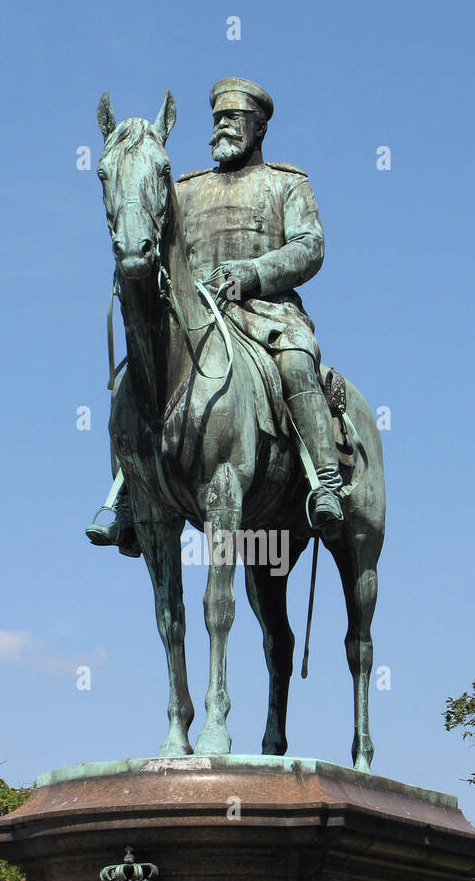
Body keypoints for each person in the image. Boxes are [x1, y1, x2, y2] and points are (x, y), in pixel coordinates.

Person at [87, 77, 344, 554]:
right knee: (136, 380)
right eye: (217, 118)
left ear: (260, 127)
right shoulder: (185, 187)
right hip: (197, 315)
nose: (222, 126)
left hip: (266, 314)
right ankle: (128, 493)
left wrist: (253, 273)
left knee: (295, 362)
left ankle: (324, 481)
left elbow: (311, 247)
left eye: (234, 117)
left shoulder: (286, 183)